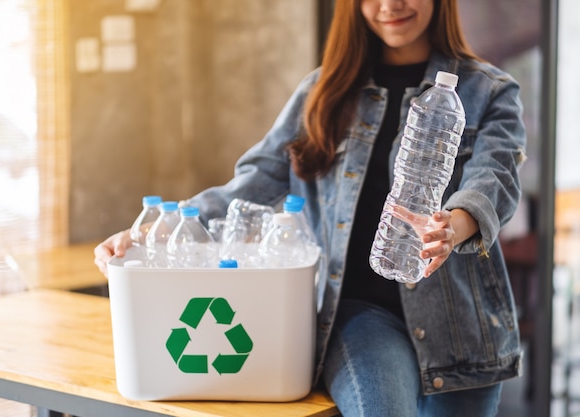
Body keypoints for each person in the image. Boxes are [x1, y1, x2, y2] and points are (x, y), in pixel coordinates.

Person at [94, 0, 527, 415]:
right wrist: (158, 227)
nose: (390, 4)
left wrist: (454, 225)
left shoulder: (488, 91)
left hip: (463, 325)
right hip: (359, 315)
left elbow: (496, 178)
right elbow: (257, 178)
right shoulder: (325, 90)